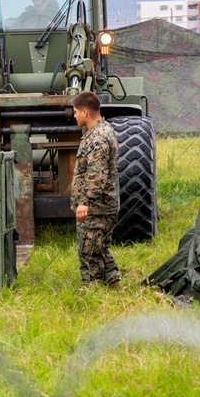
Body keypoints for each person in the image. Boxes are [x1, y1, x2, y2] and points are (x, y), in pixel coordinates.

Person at [70, 91, 121, 287]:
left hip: (97, 208)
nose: (74, 116)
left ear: (85, 112)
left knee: (88, 252)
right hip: (104, 205)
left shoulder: (97, 138)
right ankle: (113, 284)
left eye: (75, 112)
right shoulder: (103, 131)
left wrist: (84, 202)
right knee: (100, 249)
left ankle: (93, 290)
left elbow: (96, 175)